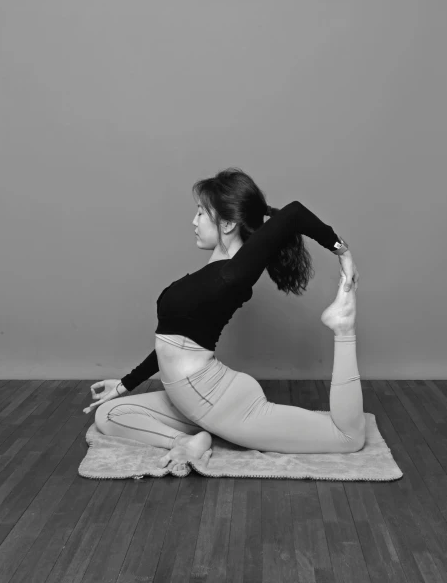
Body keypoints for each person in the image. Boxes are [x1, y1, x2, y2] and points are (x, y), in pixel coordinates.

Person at [85, 167, 363, 474]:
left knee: (347, 437)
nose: (194, 221)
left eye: (202, 213)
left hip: (222, 404)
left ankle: (343, 325)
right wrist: (124, 385)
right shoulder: (215, 268)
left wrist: (343, 253)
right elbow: (172, 342)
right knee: (108, 415)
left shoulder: (235, 272)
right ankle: (187, 439)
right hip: (191, 399)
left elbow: (294, 213)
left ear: (228, 223)